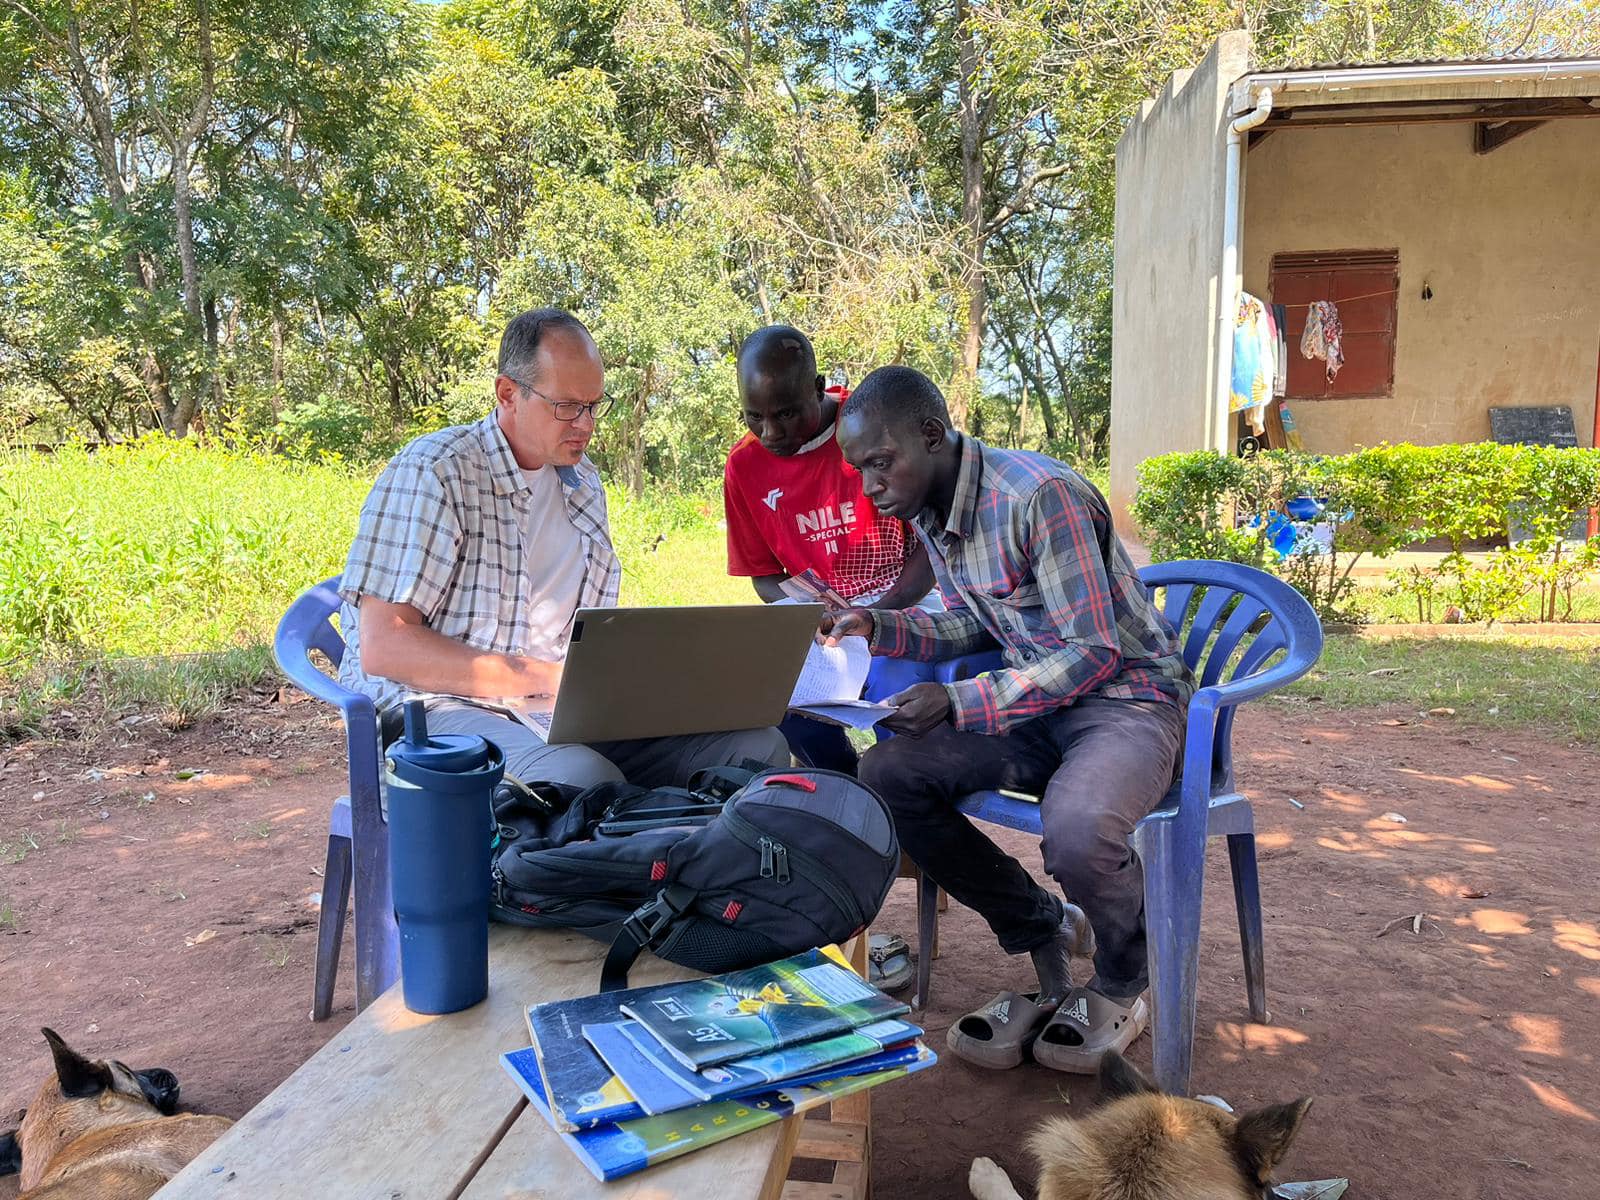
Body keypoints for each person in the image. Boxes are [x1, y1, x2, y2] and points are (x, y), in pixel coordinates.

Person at [820, 366, 1194, 1072]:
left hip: (1126, 699)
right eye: (859, 470)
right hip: (1037, 705)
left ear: (930, 435)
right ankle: (1040, 923)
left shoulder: (1037, 497)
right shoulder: (932, 509)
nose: (869, 486)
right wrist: (876, 624)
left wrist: (960, 702)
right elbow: (972, 621)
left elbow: (1092, 651)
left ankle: (1126, 972)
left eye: (878, 463)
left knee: (1080, 830)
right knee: (888, 772)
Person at [338, 307, 788, 790]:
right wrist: (545, 678)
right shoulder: (437, 471)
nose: (586, 424)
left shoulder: (583, 483)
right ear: (508, 393)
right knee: (580, 781)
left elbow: (584, 632)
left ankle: (696, 863)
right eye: (567, 406)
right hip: (437, 710)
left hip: (561, 708)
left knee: (755, 748)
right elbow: (386, 647)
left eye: (594, 405)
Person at [723, 326, 935, 775]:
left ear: (818, 389)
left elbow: (934, 544)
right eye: (753, 417)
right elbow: (764, 575)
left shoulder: (870, 424)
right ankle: (849, 784)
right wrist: (805, 613)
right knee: (772, 696)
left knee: (901, 702)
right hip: (827, 622)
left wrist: (878, 614)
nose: (771, 432)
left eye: (785, 414)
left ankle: (902, 795)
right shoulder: (744, 467)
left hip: (908, 601)